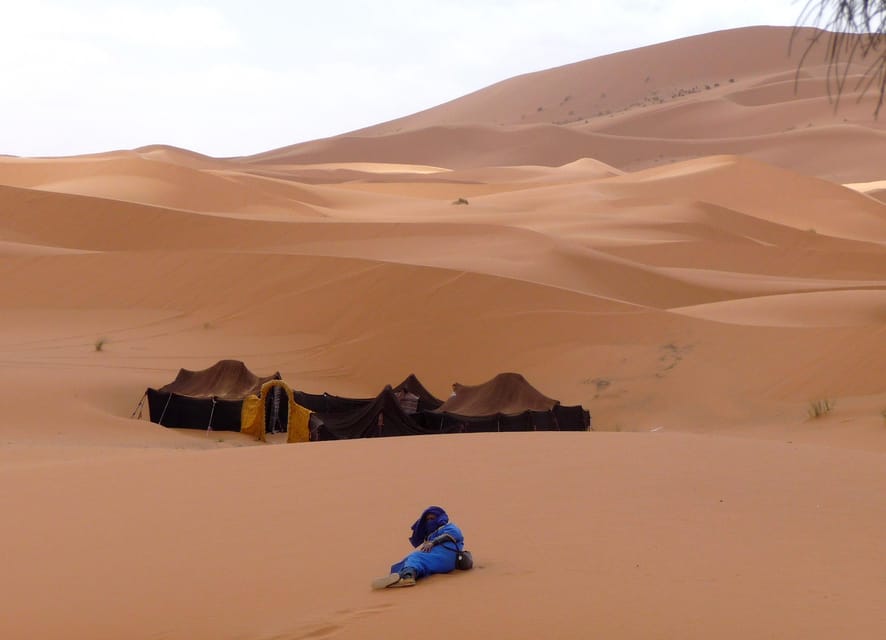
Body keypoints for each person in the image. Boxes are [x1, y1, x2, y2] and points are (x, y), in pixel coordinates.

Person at [372, 506, 465, 589]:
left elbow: (453, 534)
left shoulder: (449, 527)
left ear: (440, 518)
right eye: (428, 520)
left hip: (447, 558)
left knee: (416, 557)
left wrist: (433, 542)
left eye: (432, 518)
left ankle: (407, 577)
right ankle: (399, 576)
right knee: (409, 559)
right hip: (438, 558)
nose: (430, 522)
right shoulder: (431, 534)